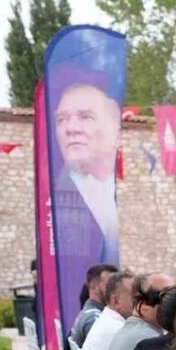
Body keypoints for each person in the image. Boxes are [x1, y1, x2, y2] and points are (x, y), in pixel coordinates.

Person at [53, 82, 122, 263]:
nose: (71, 128)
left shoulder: (135, 191)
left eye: (86, 117)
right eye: (61, 119)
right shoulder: (52, 194)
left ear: (115, 129)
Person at [108, 272, 172, 350]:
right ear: (143, 305)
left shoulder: (128, 330)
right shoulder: (149, 341)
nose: (172, 304)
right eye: (165, 297)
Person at [81, 271, 135, 350]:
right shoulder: (118, 330)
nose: (142, 302)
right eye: (135, 297)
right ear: (116, 301)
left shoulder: (105, 320)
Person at [69, 262, 118, 350]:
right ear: (93, 287)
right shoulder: (94, 319)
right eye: (109, 285)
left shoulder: (89, 312)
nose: (115, 290)